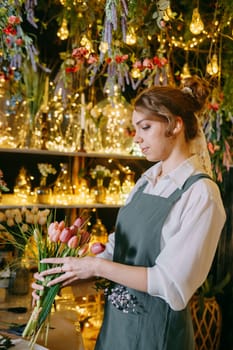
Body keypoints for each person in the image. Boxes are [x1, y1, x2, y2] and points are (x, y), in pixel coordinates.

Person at [33, 76, 226, 350]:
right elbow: (116, 251)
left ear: (175, 125)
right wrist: (65, 273)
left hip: (156, 336)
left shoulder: (201, 194)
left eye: (145, 127)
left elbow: (172, 284)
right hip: (115, 332)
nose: (137, 138)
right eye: (136, 128)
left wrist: (96, 266)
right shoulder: (146, 181)